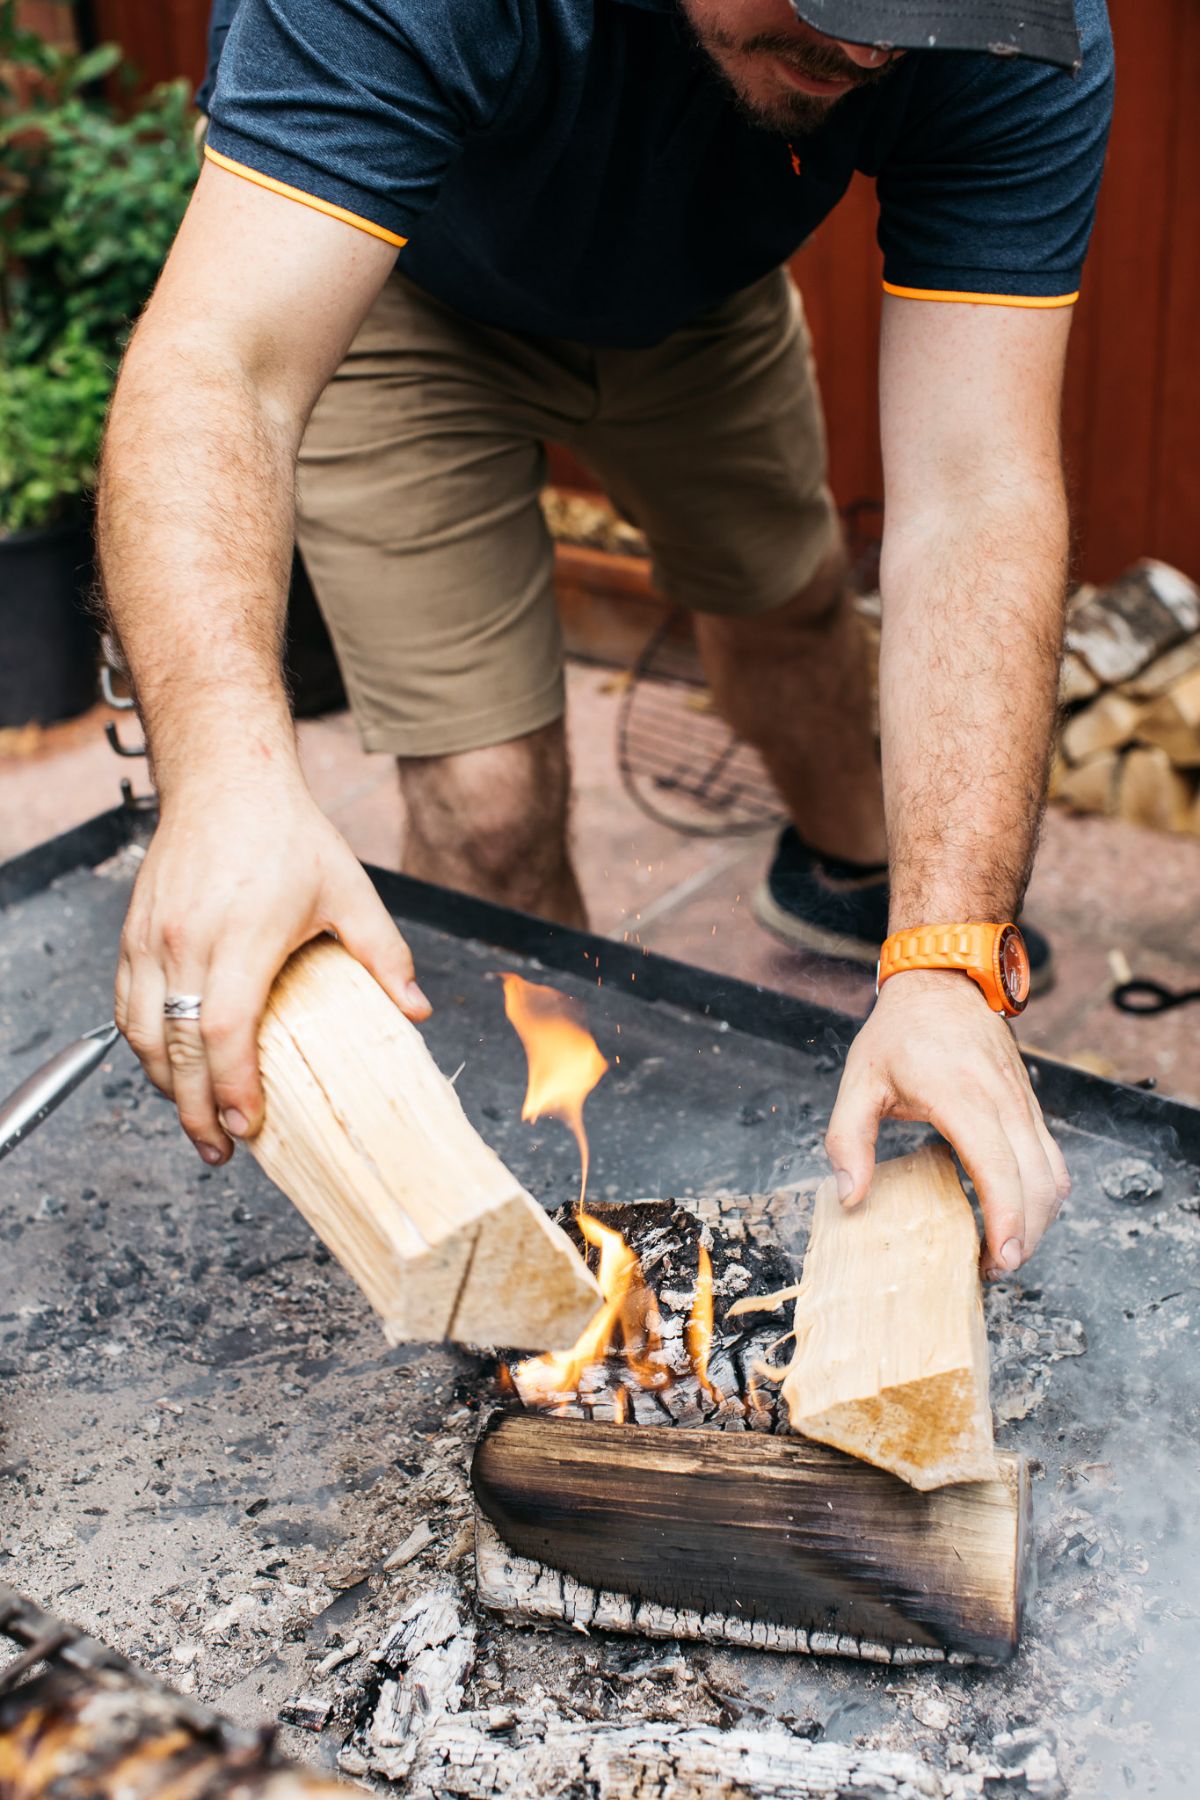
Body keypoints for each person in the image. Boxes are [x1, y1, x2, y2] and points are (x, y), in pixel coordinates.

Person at [98, 0, 1113, 1279]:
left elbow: (978, 487)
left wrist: (951, 954)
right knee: (489, 806)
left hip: (699, 297)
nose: (868, 52)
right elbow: (221, 364)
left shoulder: (1016, 24)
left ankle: (852, 883)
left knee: (796, 617)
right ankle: (574, 1197)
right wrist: (226, 784)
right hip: (391, 285)